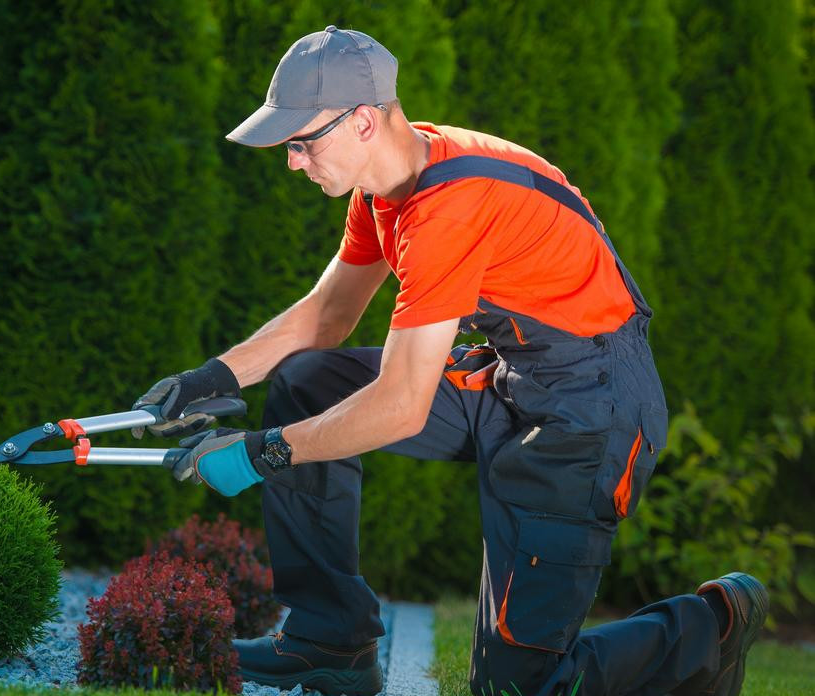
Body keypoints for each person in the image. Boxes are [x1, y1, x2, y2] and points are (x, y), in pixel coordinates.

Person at [132, 25, 766, 696]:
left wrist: (262, 452)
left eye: (301, 142)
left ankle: (713, 624)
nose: (292, 161)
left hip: (591, 411)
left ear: (364, 121)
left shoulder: (449, 207)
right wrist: (214, 377)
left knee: (519, 690)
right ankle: (329, 639)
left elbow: (401, 406)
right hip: (513, 377)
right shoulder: (386, 190)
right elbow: (328, 315)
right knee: (308, 381)